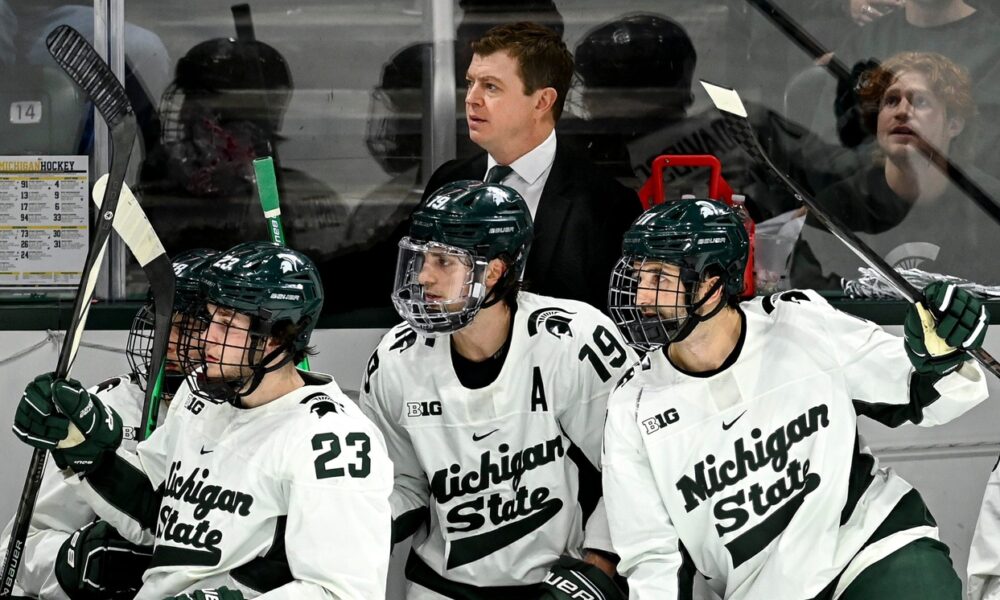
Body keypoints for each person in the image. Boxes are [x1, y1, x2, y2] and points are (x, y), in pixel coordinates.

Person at [602, 198, 989, 599]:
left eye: (660, 279)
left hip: (867, 547)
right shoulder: (632, 407)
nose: (642, 298)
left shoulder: (803, 324)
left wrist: (942, 355)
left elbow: (918, 392)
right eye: (638, 276)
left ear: (713, 284)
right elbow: (653, 560)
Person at [10, 241, 393, 599]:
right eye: (209, 320)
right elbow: (153, 507)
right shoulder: (199, 396)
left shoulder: (334, 439)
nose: (205, 339)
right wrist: (85, 453)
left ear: (277, 337)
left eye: (225, 324)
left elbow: (343, 592)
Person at [360, 181, 633, 598]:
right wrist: (351, 517)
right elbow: (404, 485)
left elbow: (633, 465)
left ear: (494, 271)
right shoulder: (395, 361)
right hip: (441, 586)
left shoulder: (574, 342)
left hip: (553, 583)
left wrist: (597, 567)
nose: (424, 277)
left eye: (444, 262)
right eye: (420, 259)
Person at [2, 249, 217, 600]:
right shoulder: (105, 409)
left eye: (192, 328)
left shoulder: (248, 419)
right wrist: (73, 565)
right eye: (167, 324)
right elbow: (19, 550)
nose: (172, 342)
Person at [422, 21, 642, 312]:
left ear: (542, 101)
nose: (471, 99)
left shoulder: (607, 204)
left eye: (490, 86)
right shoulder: (449, 181)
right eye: (470, 82)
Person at [792, 51, 1000, 289]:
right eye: (891, 101)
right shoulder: (834, 212)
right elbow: (814, 311)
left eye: (920, 101)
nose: (902, 111)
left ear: (953, 124)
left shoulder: (990, 208)